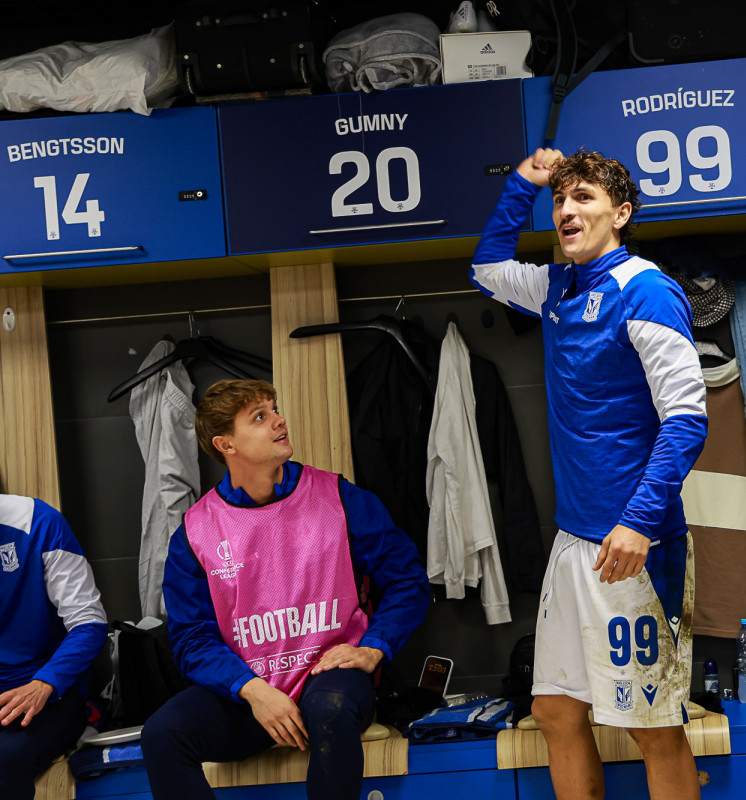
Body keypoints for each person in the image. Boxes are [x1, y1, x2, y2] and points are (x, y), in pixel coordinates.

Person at [470, 148, 708, 800]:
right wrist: (522, 184)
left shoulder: (647, 290)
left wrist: (638, 521)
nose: (566, 211)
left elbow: (687, 420)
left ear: (621, 213)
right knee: (554, 711)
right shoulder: (558, 285)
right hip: (574, 539)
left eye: (583, 198)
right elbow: (486, 269)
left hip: (635, 546)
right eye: (560, 200)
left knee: (652, 729)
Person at [142, 380, 430, 800]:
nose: (279, 420)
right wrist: (253, 690)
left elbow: (408, 580)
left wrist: (373, 648)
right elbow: (191, 639)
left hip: (329, 679)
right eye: (260, 417)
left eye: (274, 409)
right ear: (226, 444)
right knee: (162, 734)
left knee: (329, 709)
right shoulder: (196, 531)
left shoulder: (339, 497)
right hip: (251, 694)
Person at [0, 492, 107, 800]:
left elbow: (89, 623)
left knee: (4, 760)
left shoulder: (37, 521)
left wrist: (44, 684)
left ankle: (89, 713)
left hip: (46, 692)